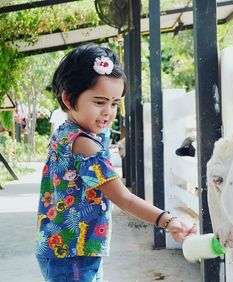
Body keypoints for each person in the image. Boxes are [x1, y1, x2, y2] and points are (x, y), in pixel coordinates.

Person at [35, 44, 197, 281]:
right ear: (69, 99)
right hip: (74, 256)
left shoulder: (64, 132)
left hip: (60, 248)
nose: (108, 112)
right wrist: (168, 220)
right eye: (99, 102)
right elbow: (124, 198)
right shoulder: (86, 145)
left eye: (114, 103)